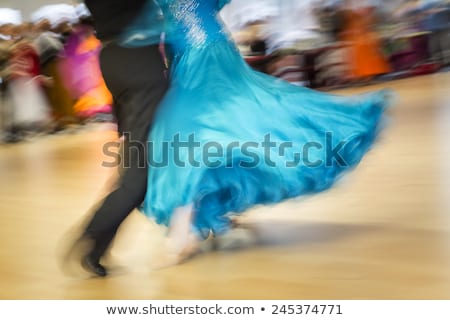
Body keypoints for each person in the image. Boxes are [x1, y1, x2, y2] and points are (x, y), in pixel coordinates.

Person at [139, 0, 392, 265]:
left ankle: (183, 229)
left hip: (202, 53)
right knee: (210, 130)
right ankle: (202, 216)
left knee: (191, 131)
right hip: (194, 51)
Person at [63, 0, 168, 277]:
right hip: (138, 62)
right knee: (139, 177)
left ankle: (96, 248)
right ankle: (91, 233)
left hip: (114, 57)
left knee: (136, 166)